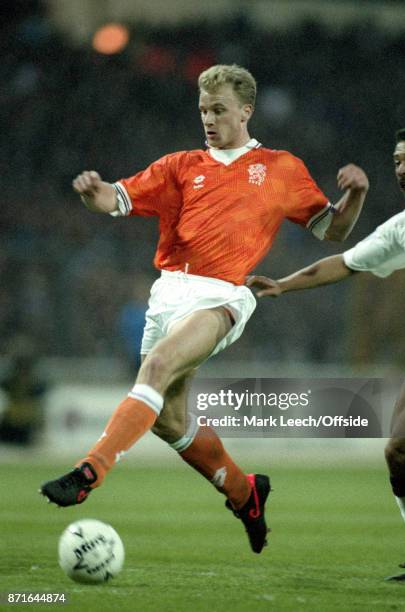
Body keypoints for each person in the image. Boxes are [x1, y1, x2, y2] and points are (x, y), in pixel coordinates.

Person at [40, 64, 368, 554]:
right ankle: (245, 493)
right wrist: (94, 194)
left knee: (157, 365)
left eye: (219, 110)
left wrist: (356, 195)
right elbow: (116, 199)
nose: (209, 119)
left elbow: (332, 231)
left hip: (224, 295)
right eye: (203, 110)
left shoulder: (280, 168)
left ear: (246, 111)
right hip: (169, 291)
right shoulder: (180, 166)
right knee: (169, 419)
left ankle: (91, 471)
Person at [247, 125, 405, 579]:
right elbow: (345, 262)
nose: (402, 170)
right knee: (401, 455)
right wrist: (282, 285)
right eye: (397, 161)